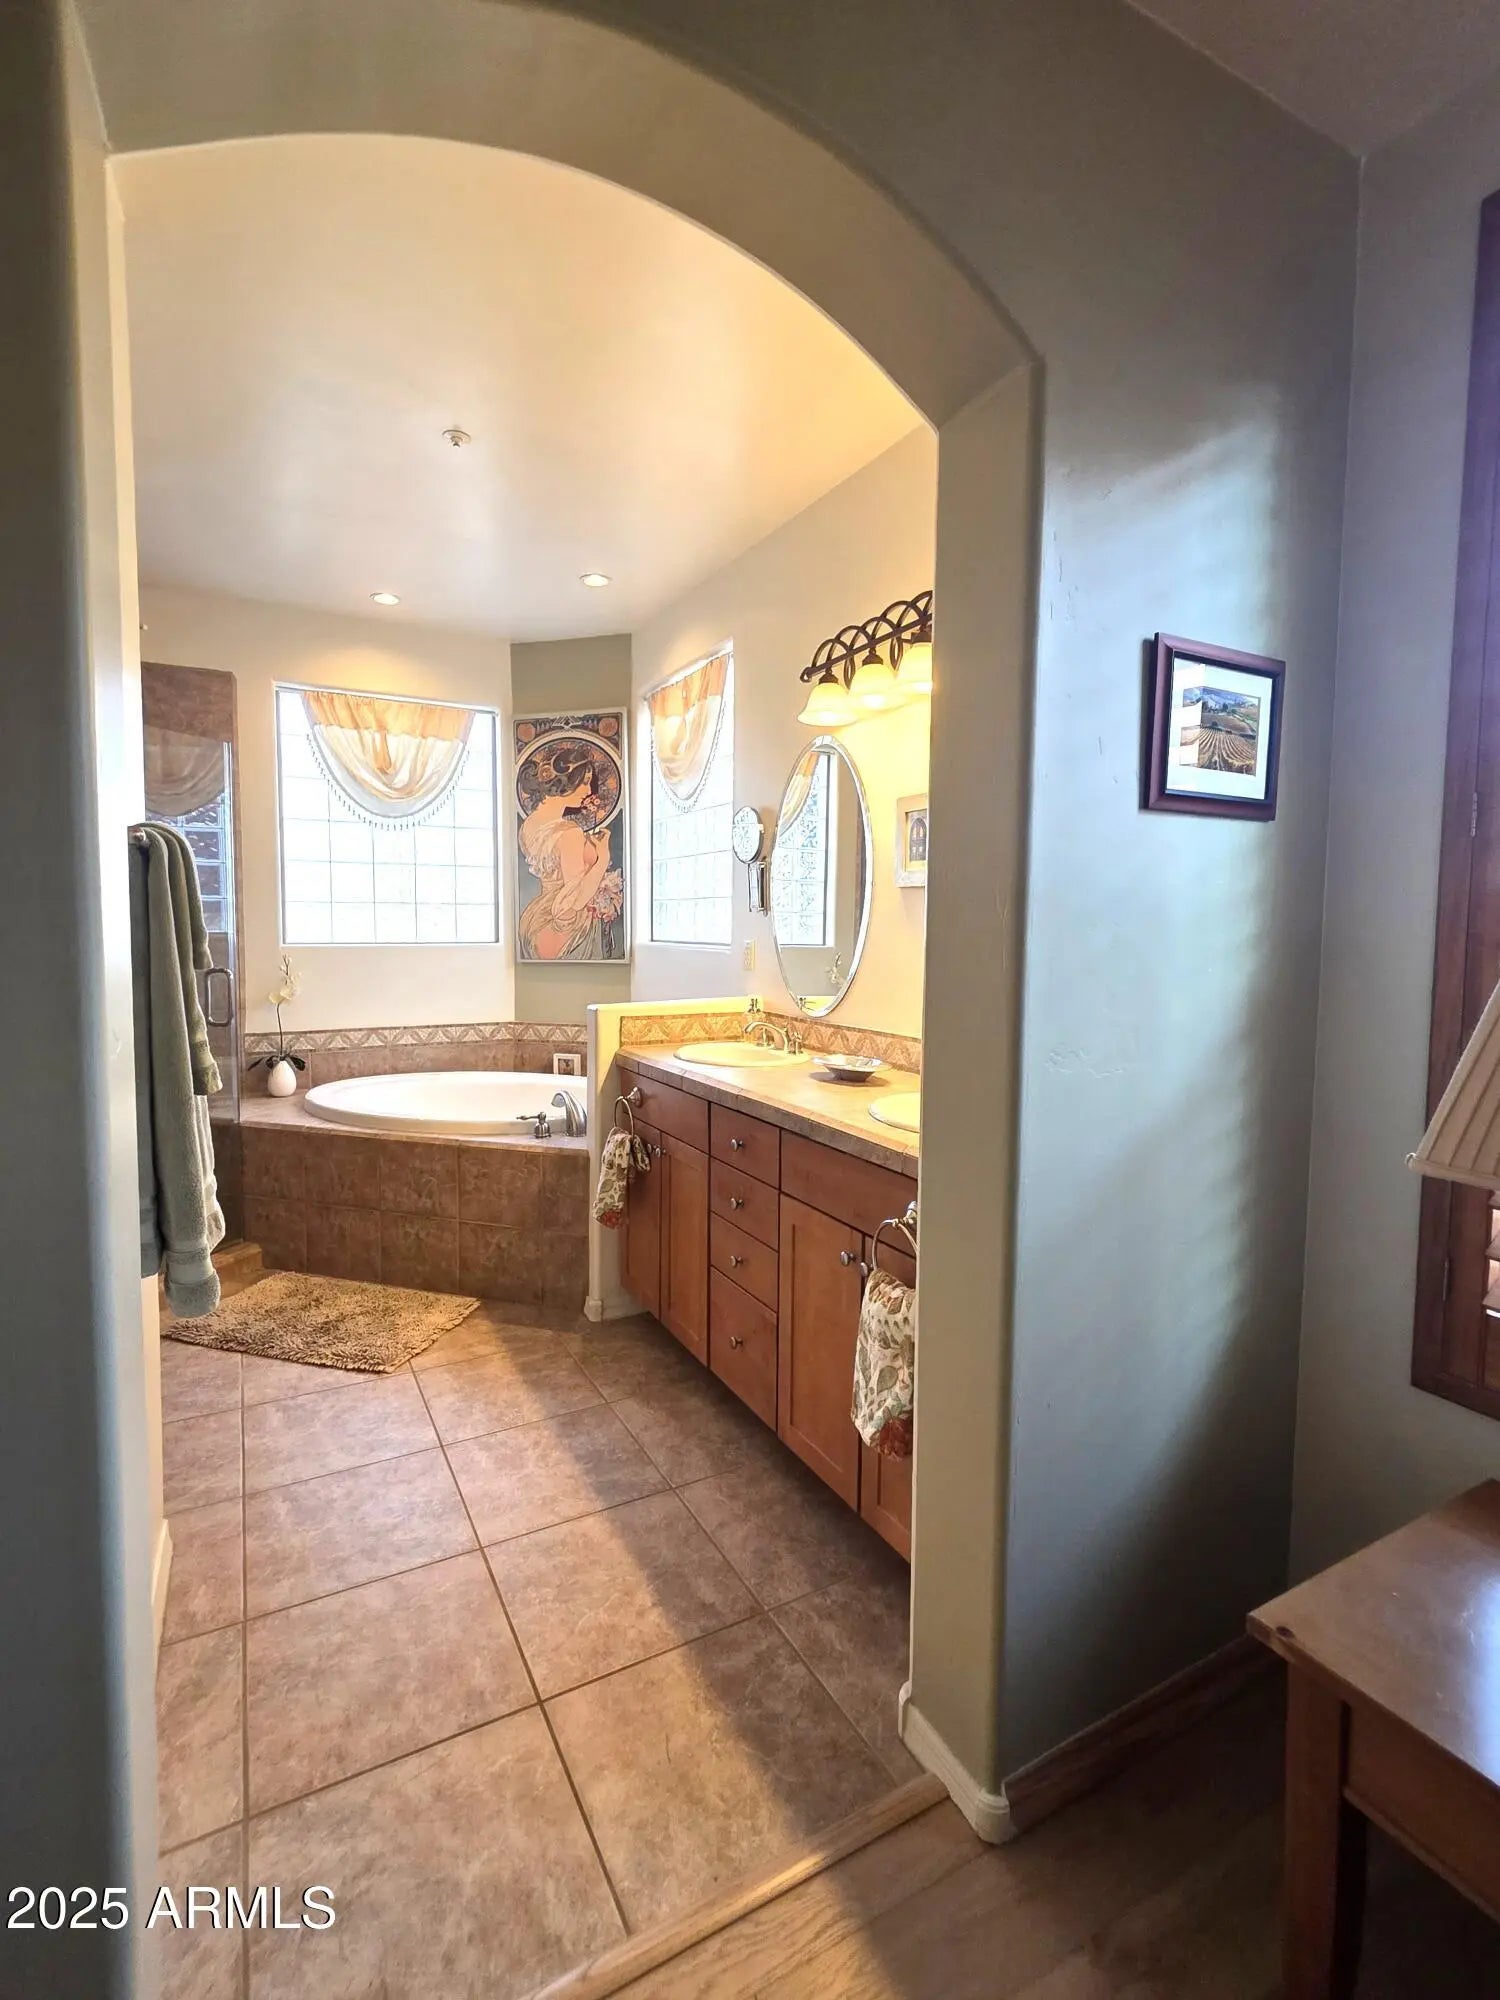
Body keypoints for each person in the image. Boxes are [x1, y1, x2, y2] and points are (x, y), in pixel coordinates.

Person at [517, 742, 623, 959]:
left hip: (536, 919)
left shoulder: (529, 825)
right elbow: (575, 899)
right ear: (565, 781)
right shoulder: (570, 833)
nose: (589, 790)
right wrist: (602, 858)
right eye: (584, 782)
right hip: (566, 926)